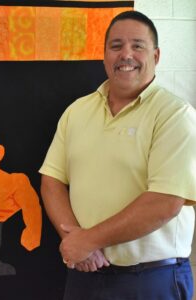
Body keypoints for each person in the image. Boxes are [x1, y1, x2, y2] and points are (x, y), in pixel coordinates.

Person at [39, 10, 196, 300]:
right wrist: (74, 241)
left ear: (156, 56)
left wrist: (88, 240)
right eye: (116, 46)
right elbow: (52, 181)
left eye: (138, 45)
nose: (126, 54)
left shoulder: (175, 115)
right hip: (84, 275)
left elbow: (165, 201)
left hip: (152, 280)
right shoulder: (77, 112)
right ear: (104, 56)